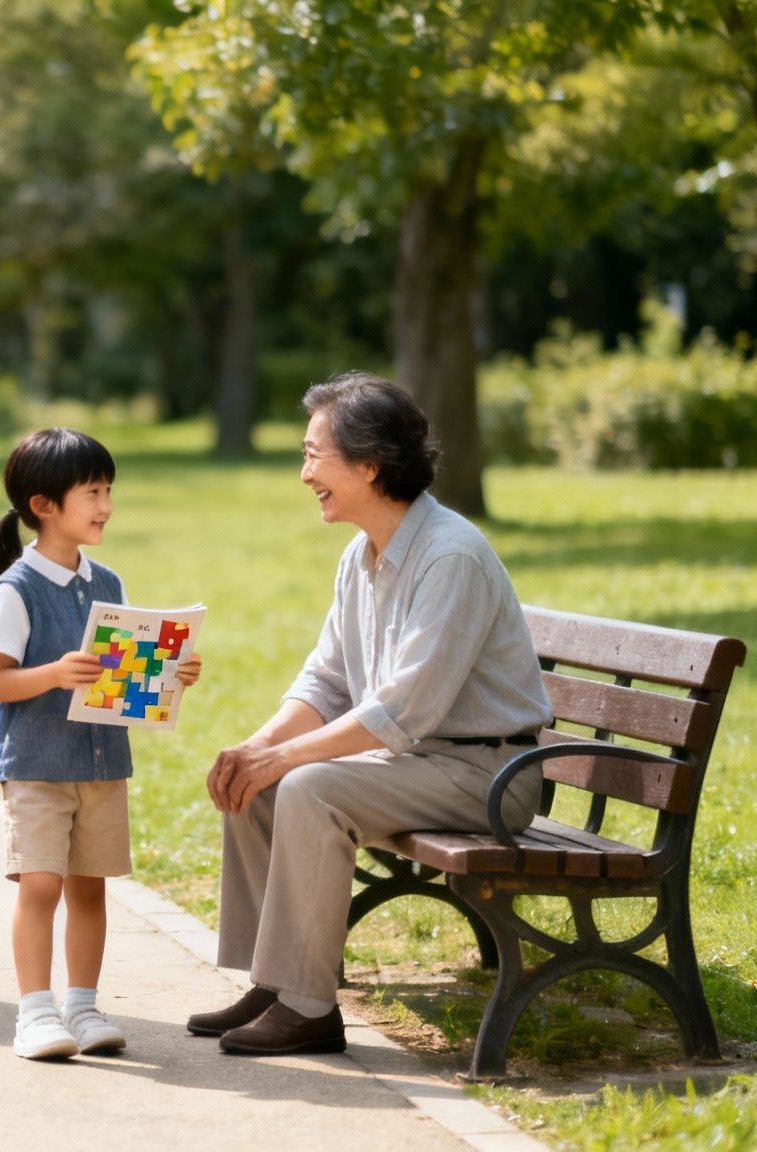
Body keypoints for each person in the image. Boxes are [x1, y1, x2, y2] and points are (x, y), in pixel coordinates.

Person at [189, 372, 552, 1055]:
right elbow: (327, 680)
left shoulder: (451, 556)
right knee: (256, 780)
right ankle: (275, 982)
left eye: (313, 454)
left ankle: (308, 1007)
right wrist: (257, 746)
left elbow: (403, 706)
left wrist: (287, 758)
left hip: (488, 772)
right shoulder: (361, 556)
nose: (304, 474)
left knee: (308, 785)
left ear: (368, 464)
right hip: (418, 761)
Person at [0, 428, 203, 1059]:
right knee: (41, 886)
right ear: (44, 505)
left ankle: (82, 1005)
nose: (106, 505)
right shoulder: (15, 590)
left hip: (102, 765)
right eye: (93, 492)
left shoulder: (108, 582)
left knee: (89, 887)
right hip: (38, 768)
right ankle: (34, 1013)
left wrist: (172, 672)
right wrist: (53, 673)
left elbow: (129, 679)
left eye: (108, 490)